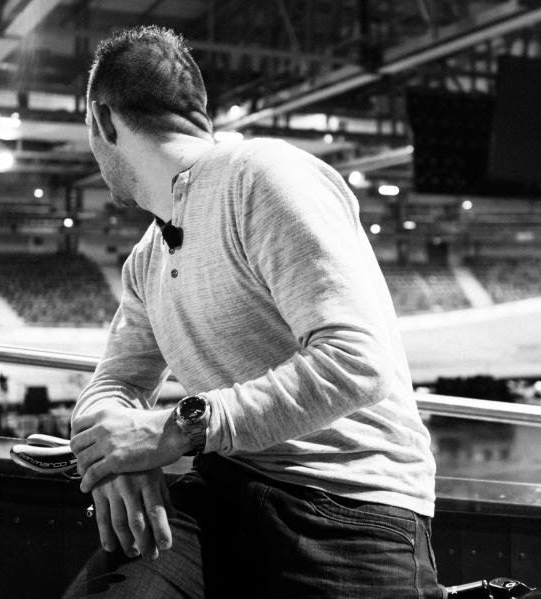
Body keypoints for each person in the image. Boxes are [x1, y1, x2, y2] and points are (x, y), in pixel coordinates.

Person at [67, 26, 440, 599]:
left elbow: (357, 362)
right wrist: (114, 451)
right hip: (225, 489)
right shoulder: (146, 258)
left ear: (101, 121)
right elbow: (115, 382)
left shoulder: (262, 176)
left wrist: (169, 432)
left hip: (349, 510)